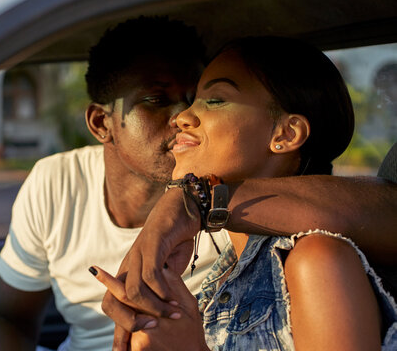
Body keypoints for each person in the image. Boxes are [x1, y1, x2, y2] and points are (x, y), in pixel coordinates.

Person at [92, 36, 397, 350]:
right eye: (195, 98)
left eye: (215, 100)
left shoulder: (316, 260)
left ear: (286, 133)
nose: (181, 117)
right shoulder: (225, 272)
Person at [0, 16, 226, 351]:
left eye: (197, 99)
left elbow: (322, 208)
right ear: (101, 123)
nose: (186, 116)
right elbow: (9, 316)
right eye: (157, 99)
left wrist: (184, 206)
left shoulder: (231, 192)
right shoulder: (56, 183)